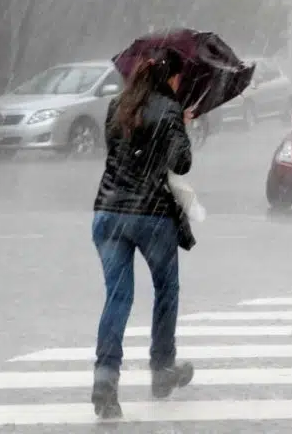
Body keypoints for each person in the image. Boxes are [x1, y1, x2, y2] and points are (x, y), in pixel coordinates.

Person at [90, 46, 195, 419]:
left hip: (107, 213)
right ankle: (162, 368)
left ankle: (105, 379)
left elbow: (118, 153)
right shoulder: (169, 110)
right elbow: (180, 162)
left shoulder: (115, 106)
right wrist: (182, 124)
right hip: (151, 216)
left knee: (117, 298)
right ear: (170, 77)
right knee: (166, 289)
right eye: (179, 78)